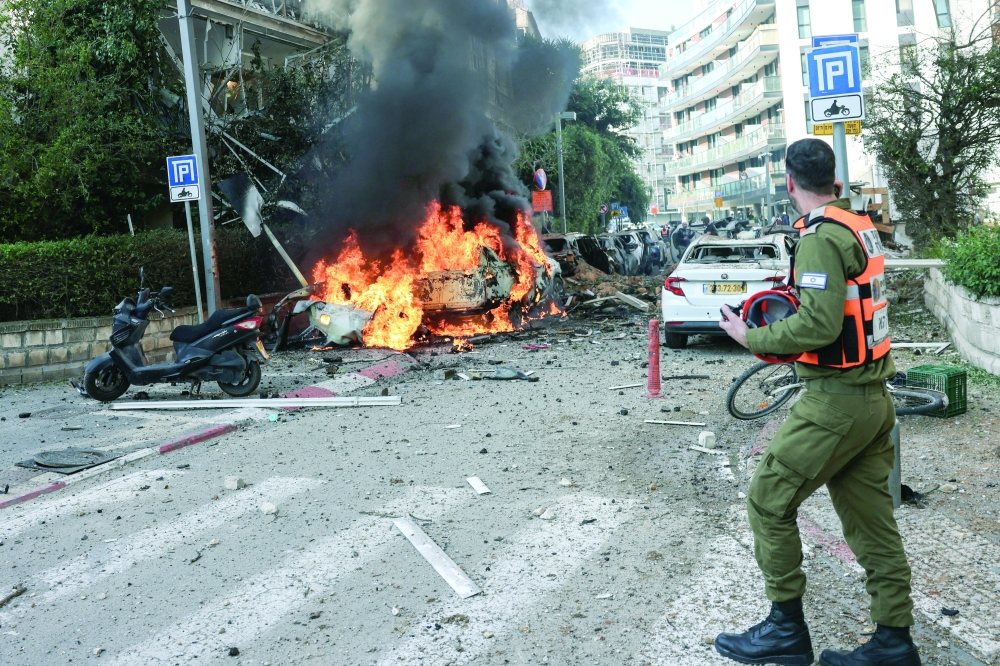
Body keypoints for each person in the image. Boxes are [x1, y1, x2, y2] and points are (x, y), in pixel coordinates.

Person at [716, 138, 919, 666]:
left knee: (767, 499)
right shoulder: (858, 225)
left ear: (789, 183)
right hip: (874, 400)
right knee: (873, 526)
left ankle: (785, 631)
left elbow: (820, 324)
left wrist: (751, 338)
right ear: (834, 179)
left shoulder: (819, 239)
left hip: (836, 403)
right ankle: (895, 644)